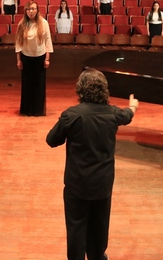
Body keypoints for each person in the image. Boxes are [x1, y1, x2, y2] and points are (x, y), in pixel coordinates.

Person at [46, 68, 138, 260]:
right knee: (99, 225)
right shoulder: (113, 114)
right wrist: (133, 106)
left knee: (76, 225)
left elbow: (52, 140)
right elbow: (127, 116)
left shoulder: (71, 115)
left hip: (77, 183)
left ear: (80, 89)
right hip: (102, 183)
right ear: (104, 89)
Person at [15, 1, 53, 116]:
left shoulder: (44, 23)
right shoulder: (22, 24)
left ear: (37, 10)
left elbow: (48, 40)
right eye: (28, 9)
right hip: (26, 57)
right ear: (25, 11)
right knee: (27, 84)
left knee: (39, 84)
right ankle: (27, 109)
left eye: (33, 9)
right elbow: (18, 42)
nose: (31, 11)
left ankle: (38, 110)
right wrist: (18, 59)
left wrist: (47, 58)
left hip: (40, 57)